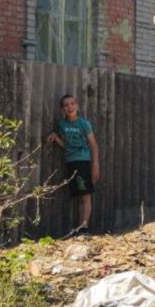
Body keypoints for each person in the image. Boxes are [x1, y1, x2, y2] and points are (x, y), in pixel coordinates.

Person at [47, 94, 100, 233]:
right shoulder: (62, 125)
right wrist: (55, 137)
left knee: (86, 195)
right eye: (66, 105)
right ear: (62, 108)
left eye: (72, 104)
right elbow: (67, 145)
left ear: (77, 105)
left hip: (83, 162)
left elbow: (93, 145)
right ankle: (80, 227)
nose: (69, 107)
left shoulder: (84, 123)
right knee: (79, 196)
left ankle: (84, 228)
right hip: (71, 162)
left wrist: (95, 166)